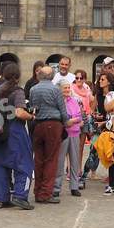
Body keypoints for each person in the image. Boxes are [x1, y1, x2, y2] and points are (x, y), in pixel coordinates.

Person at [0, 61, 35, 208]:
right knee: (24, 164)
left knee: (0, 165)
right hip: (14, 131)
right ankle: (20, 196)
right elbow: (19, 112)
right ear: (18, 76)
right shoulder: (17, 91)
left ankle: (2, 199)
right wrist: (32, 116)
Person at [28, 64, 69, 204]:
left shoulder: (33, 89)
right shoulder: (55, 90)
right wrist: (66, 123)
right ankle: (46, 193)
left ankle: (38, 191)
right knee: (51, 160)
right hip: (53, 124)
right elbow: (62, 110)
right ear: (52, 76)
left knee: (38, 159)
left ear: (40, 75)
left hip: (38, 125)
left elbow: (32, 107)